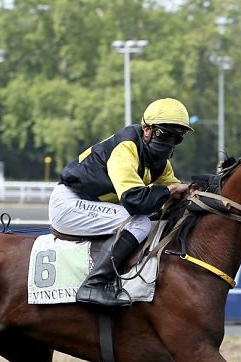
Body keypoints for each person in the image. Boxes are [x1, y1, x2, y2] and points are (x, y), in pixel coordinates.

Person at [49, 98, 193, 307]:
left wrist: (191, 192)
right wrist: (169, 190)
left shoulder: (161, 164)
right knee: (140, 222)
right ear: (147, 130)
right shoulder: (126, 147)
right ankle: (93, 285)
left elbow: (174, 195)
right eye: (164, 133)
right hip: (70, 204)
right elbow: (135, 201)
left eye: (176, 137)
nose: (170, 142)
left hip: (91, 205)